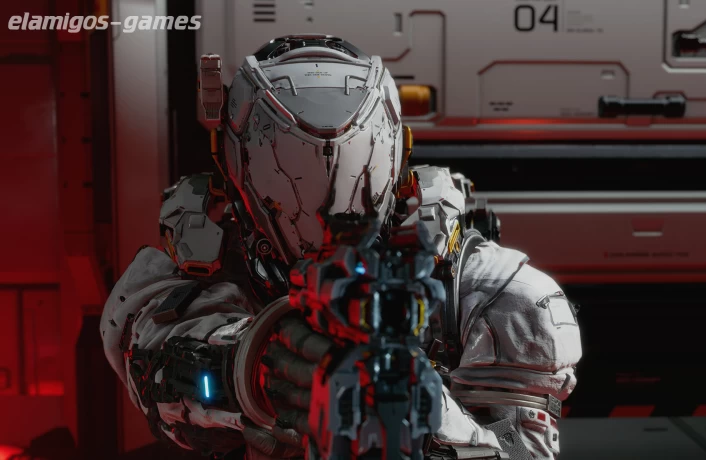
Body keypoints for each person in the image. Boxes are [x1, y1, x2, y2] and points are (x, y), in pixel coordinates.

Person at [100, 35, 582, 459]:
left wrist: (422, 412)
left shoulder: (496, 292)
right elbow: (156, 367)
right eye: (293, 165)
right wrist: (255, 367)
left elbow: (521, 452)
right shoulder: (194, 271)